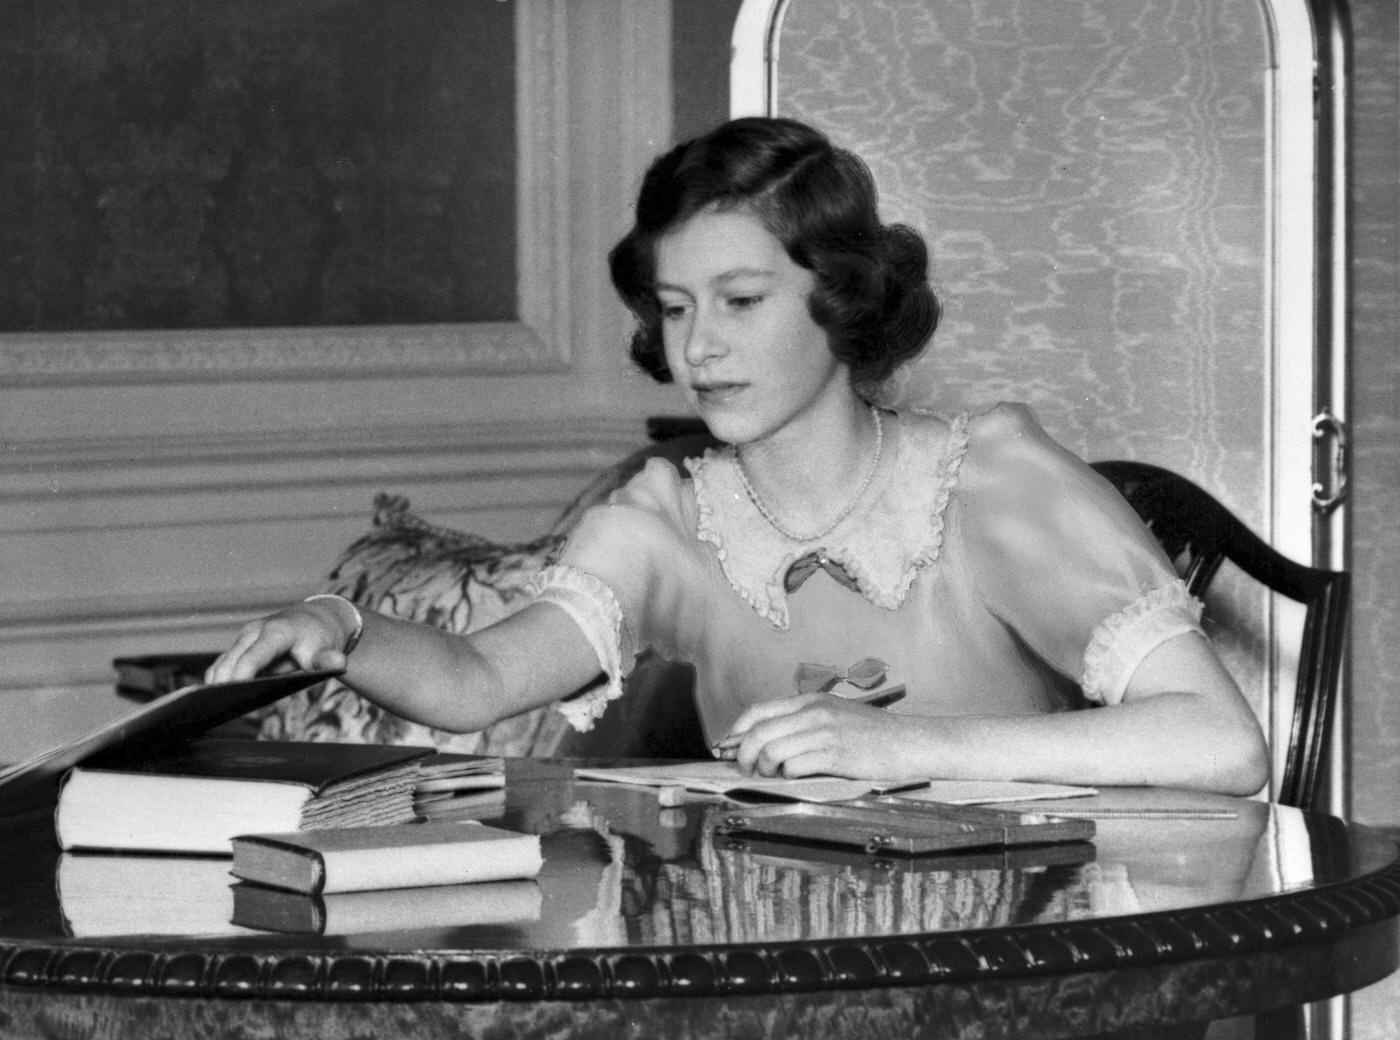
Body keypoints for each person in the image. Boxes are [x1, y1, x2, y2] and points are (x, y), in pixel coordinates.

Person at [208, 117, 1269, 796]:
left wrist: (911, 747)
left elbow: (1218, 742)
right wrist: (341, 627)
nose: (697, 346)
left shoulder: (987, 481)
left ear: (839, 295)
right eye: (673, 309)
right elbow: (482, 675)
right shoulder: (665, 518)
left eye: (740, 302)